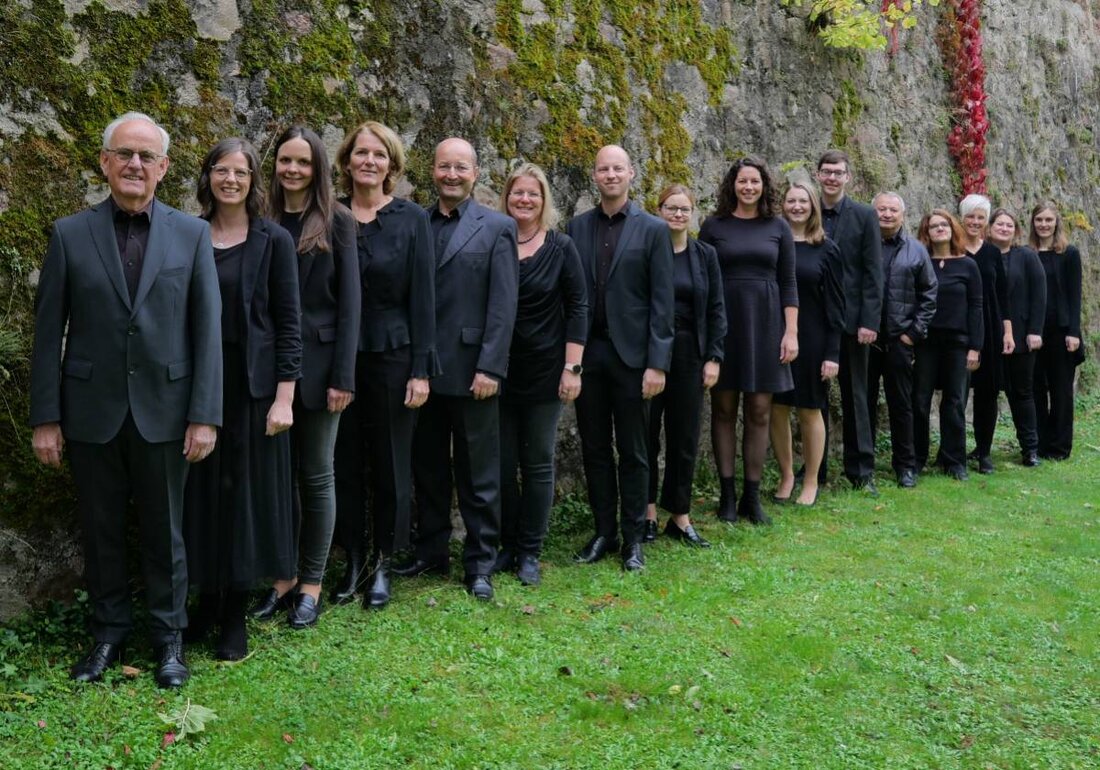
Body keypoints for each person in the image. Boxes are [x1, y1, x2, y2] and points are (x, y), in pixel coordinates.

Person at [29, 112, 222, 687]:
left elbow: (205, 331)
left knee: (167, 532)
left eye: (146, 156)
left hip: (166, 410)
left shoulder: (191, 235)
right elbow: (48, 333)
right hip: (92, 413)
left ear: (163, 168)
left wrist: (204, 414)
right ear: (105, 162)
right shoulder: (68, 234)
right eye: (124, 154)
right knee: (101, 529)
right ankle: (108, 636)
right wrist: (46, 417)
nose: (134, 164)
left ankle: (169, 640)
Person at [183, 138, 301, 660]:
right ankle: (206, 602)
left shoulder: (272, 240)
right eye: (220, 170)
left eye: (241, 172)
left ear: (254, 181)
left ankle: (234, 614)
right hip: (197, 387)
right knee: (201, 497)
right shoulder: (186, 235)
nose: (230, 180)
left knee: (242, 500)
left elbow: (289, 323)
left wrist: (285, 398)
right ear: (206, 176)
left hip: (253, 392)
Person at [396, 138, 518, 601]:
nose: (451, 174)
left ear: (476, 173)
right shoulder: (414, 223)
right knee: (427, 467)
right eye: (444, 166)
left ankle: (480, 562)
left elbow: (504, 306)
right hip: (424, 371)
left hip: (473, 373)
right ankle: (431, 550)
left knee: (478, 473)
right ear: (433, 170)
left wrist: (491, 366)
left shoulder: (497, 227)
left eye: (460, 167)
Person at [251, 126, 360, 628]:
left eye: (303, 162)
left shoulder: (337, 221)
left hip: (320, 373)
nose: (292, 169)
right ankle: (282, 579)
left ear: (317, 168)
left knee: (316, 476)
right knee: (277, 481)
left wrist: (343, 377)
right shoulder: (261, 220)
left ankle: (311, 584)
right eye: (284, 160)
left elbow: (351, 307)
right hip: (268, 370)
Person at [331, 121, 438, 610]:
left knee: (393, 462)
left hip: (395, 356)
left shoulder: (413, 219)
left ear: (391, 166)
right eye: (361, 153)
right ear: (347, 161)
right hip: (340, 358)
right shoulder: (329, 216)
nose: (369, 162)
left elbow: (424, 298)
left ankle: (383, 562)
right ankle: (351, 557)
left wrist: (421, 369)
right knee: (345, 461)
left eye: (379, 155)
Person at [566, 145, 673, 571]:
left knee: (634, 450)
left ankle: (632, 539)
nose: (610, 175)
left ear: (631, 173)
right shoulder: (577, 227)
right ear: (595, 176)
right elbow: (572, 296)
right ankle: (603, 531)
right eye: (602, 169)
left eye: (617, 168)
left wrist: (657, 363)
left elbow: (662, 302)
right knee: (594, 447)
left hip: (633, 359)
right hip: (590, 355)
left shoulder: (653, 230)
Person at [495, 163, 587, 585]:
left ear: (543, 199)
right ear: (507, 197)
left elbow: (578, 308)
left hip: (547, 371)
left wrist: (572, 368)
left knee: (537, 464)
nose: (525, 200)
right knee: (501, 464)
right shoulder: (494, 240)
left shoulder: (561, 246)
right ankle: (507, 545)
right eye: (518, 193)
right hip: (498, 371)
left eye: (533, 193)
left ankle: (530, 550)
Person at [700, 157, 798, 525]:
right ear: (733, 185)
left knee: (759, 411)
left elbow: (789, 283)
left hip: (767, 324)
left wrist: (791, 332)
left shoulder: (779, 227)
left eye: (754, 181)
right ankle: (726, 496)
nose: (748, 187)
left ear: (764, 186)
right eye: (742, 181)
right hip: (725, 324)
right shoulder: (714, 226)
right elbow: (702, 279)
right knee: (723, 410)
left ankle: (751, 497)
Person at [644, 185, 725, 544]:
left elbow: (716, 309)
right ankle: (645, 512)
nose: (678, 214)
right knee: (645, 434)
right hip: (650, 353)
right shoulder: (646, 250)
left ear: (692, 214)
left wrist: (714, 357)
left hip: (691, 351)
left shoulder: (705, 255)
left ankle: (679, 515)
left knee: (685, 436)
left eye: (685, 209)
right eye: (671, 208)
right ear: (658, 210)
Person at [770, 182, 842, 506]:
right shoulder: (774, 243)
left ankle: (811, 479)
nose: (797, 206)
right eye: (791, 201)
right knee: (778, 408)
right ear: (783, 205)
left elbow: (836, 306)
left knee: (810, 409)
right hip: (775, 337)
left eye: (803, 201)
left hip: (813, 339)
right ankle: (786, 475)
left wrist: (832, 353)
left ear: (813, 206)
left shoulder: (827, 249)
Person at [815, 150, 882, 494]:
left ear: (847, 177)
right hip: (816, 321)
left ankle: (861, 471)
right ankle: (817, 470)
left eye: (838, 173)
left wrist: (870, 320)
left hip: (855, 323)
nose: (831, 178)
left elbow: (873, 271)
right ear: (818, 175)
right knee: (815, 398)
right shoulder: (806, 212)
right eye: (826, 172)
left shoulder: (865, 215)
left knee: (856, 396)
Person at [867, 192, 937, 488]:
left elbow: (929, 294)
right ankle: (863, 465)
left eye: (892, 210)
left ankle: (905, 466)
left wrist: (912, 334)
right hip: (865, 340)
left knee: (901, 405)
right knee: (864, 404)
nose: (886, 214)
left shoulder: (916, 250)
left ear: (902, 214)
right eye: (881, 209)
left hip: (899, 340)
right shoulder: (862, 245)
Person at [913, 210, 983, 480]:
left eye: (944, 225)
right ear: (926, 232)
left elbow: (976, 307)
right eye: (933, 226)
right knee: (919, 399)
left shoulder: (968, 265)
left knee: (954, 402)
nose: (939, 229)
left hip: (958, 343)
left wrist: (975, 347)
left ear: (953, 229)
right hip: (926, 341)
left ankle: (955, 461)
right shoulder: (921, 263)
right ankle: (917, 459)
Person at [959, 194, 1013, 474]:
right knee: (957, 391)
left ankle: (983, 452)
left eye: (981, 217)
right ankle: (952, 450)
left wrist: (1008, 332)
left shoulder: (992, 253)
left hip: (990, 327)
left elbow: (1002, 295)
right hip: (960, 326)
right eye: (971, 216)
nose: (975, 222)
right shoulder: (954, 248)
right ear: (962, 217)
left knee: (987, 392)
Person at [987, 208, 1046, 466]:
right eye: (999, 224)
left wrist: (1035, 331)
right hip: (989, 336)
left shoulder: (1027, 257)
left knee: (1022, 393)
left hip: (1022, 336)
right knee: (987, 394)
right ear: (990, 228)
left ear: (1016, 230)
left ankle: (1030, 449)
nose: (1004, 228)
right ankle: (982, 450)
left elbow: (1039, 296)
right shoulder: (983, 256)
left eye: (1009, 225)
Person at [1029, 202, 1084, 460]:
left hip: (1062, 332)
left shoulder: (1069, 254)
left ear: (1056, 222)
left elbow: (1075, 296)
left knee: (1061, 391)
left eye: (1048, 220)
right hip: (1033, 331)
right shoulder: (1027, 253)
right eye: (1039, 219)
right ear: (1033, 222)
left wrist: (1074, 332)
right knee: (1036, 389)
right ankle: (1039, 444)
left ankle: (1060, 448)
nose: (1043, 224)